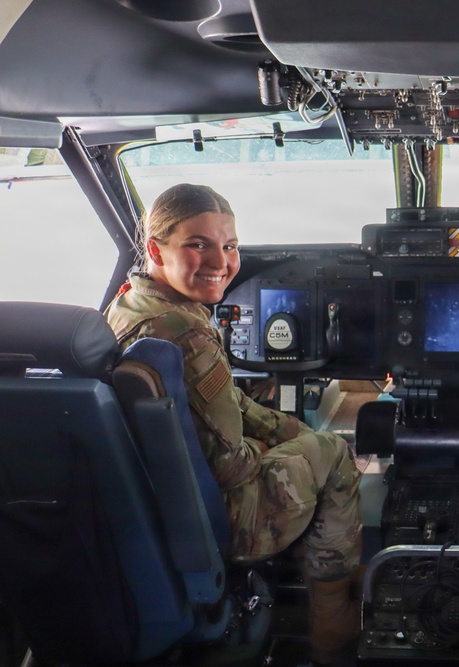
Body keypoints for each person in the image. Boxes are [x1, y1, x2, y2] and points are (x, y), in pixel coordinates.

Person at [104, 183, 362, 666]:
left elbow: (228, 405)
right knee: (336, 454)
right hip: (226, 519)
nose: (220, 261)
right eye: (197, 244)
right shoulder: (186, 331)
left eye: (229, 245)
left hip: (152, 504)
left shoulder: (130, 307)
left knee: (309, 441)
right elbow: (233, 469)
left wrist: (292, 433)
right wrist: (307, 446)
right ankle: (333, 622)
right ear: (155, 249)